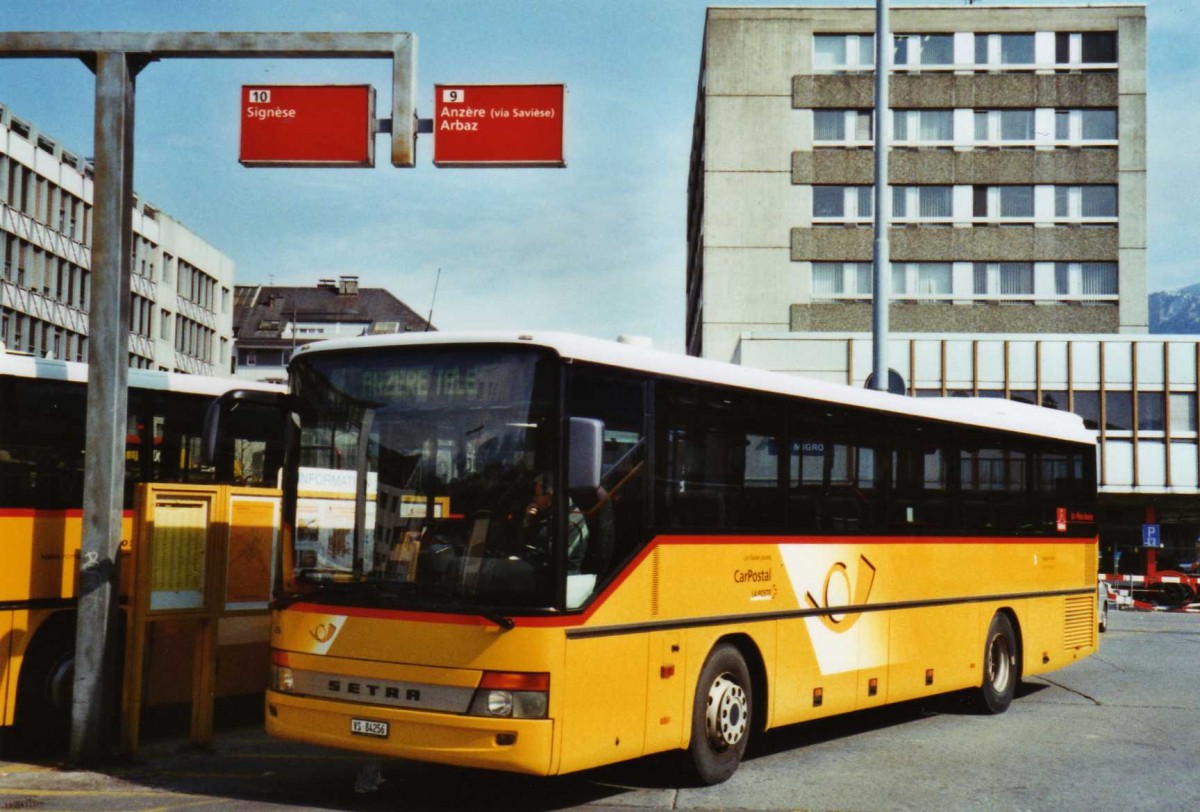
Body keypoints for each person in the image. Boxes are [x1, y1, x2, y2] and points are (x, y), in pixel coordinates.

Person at [522, 473, 587, 573]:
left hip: (564, 579)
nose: (535, 499)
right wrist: (528, 520)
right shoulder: (549, 512)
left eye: (537, 495)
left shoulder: (573, 523)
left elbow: (555, 558)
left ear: (550, 496)